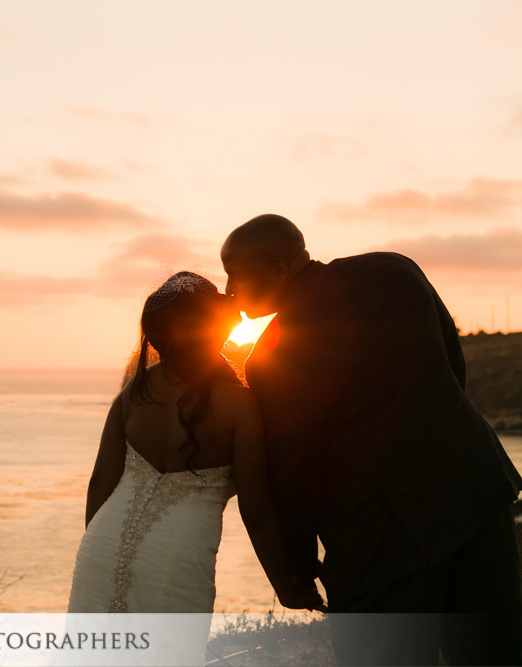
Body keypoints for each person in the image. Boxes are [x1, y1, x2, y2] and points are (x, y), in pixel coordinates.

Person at [221, 213, 522, 665]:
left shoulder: (276, 356)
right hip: (476, 498)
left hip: (381, 541)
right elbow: (452, 363)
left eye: (236, 276)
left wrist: (297, 573)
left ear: (280, 268)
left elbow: (293, 471)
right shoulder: (395, 271)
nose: (228, 292)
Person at [66, 272, 325, 641]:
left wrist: (102, 555)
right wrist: (285, 585)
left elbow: (100, 485)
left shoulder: (134, 394)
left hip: (101, 547)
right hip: (177, 555)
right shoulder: (239, 405)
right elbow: (258, 509)